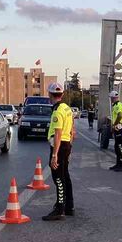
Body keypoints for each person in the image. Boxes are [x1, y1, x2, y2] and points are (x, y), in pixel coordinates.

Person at [42, 82, 75, 221]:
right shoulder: (67, 108)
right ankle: (69, 207)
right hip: (66, 145)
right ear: (61, 94)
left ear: (50, 94)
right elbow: (73, 130)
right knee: (65, 176)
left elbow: (58, 133)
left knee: (58, 178)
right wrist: (70, 148)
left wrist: (54, 155)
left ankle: (60, 209)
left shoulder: (57, 111)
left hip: (60, 146)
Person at [109, 90, 122, 172]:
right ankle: (118, 164)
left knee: (120, 147)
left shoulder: (117, 105)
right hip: (119, 127)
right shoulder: (119, 105)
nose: (111, 100)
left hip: (118, 127)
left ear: (113, 98)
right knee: (117, 147)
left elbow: (119, 115)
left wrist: (115, 124)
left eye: (111, 98)